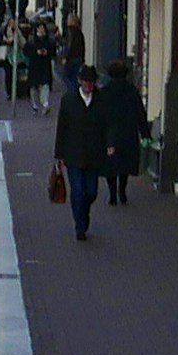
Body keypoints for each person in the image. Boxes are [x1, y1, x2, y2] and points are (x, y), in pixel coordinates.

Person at [51, 56, 113, 241]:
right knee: (77, 191)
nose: (88, 85)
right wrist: (59, 155)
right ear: (79, 81)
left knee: (91, 192)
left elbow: (108, 124)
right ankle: (80, 226)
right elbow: (62, 127)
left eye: (91, 82)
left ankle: (84, 213)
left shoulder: (102, 100)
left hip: (94, 154)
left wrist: (110, 143)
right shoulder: (69, 99)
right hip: (73, 154)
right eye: (86, 81)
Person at [99, 59, 150, 207]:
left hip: (110, 133)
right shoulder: (132, 90)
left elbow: (100, 114)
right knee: (125, 164)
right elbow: (140, 113)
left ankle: (112, 194)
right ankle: (122, 190)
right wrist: (145, 132)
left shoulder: (105, 91)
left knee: (110, 164)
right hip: (128, 132)